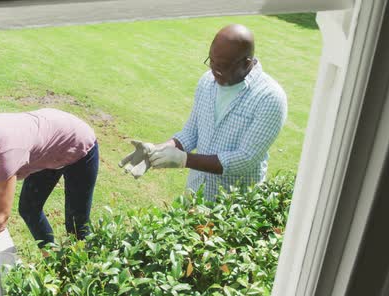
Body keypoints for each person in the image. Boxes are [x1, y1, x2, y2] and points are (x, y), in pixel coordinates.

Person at [120, 24, 287, 201]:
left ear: (246, 63)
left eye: (222, 65)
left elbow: (244, 159)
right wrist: (158, 150)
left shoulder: (269, 97)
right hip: (195, 194)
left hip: (234, 207)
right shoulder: (207, 82)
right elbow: (190, 134)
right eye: (211, 61)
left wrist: (184, 160)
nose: (214, 70)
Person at [0, 104, 99, 259]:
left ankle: (92, 271)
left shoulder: (4, 150)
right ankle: (53, 262)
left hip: (77, 142)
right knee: (29, 209)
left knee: (77, 226)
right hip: (47, 146)